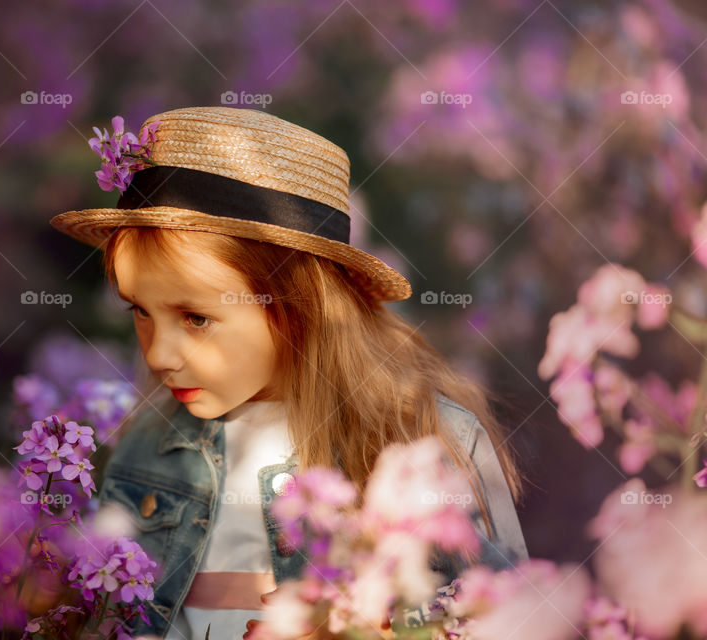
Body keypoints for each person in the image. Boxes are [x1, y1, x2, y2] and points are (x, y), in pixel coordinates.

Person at [49, 106, 529, 640]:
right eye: (139, 310)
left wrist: (373, 625)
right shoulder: (147, 446)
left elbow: (510, 615)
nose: (159, 354)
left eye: (196, 317)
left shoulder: (421, 442)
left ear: (299, 306)